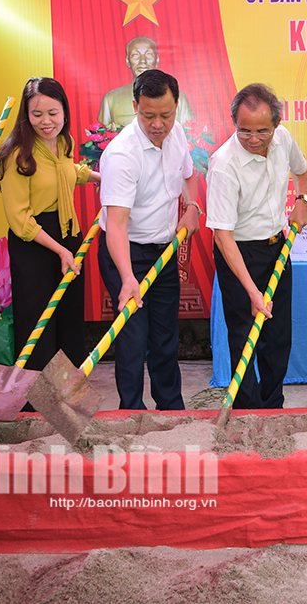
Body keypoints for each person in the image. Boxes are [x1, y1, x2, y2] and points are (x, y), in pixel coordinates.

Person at [97, 69, 200, 410]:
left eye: (166, 115)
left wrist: (194, 206)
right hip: (125, 252)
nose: (158, 124)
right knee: (132, 336)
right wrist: (128, 278)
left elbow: (189, 176)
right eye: (148, 115)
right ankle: (131, 411)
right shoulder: (122, 155)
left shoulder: (177, 134)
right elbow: (116, 226)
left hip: (164, 250)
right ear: (134, 106)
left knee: (165, 335)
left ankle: (170, 407)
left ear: (177, 107)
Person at [206, 83, 307, 410]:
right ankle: (246, 410)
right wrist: (252, 291)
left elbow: (302, 170)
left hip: (277, 248)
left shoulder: (283, 140)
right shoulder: (224, 164)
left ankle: (272, 404)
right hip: (238, 253)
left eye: (262, 131)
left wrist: (302, 200)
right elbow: (222, 236)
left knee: (278, 336)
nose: (253, 139)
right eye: (244, 130)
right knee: (244, 337)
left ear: (276, 124)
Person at [0, 77, 101, 372]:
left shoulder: (63, 142)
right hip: (35, 244)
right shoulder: (16, 154)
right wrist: (60, 251)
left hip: (68, 234)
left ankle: (68, 392)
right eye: (37, 114)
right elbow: (20, 220)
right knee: (37, 321)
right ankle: (34, 397)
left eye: (53, 113)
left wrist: (99, 177)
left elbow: (66, 172)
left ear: (65, 112)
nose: (46, 122)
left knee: (69, 314)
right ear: (26, 116)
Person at [97, 36, 195, 131]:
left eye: (149, 55)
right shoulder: (110, 99)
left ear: (157, 60)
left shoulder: (178, 98)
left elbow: (189, 136)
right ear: (127, 61)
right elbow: (103, 140)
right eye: (136, 55)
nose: (142, 61)